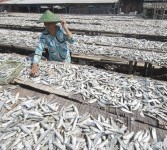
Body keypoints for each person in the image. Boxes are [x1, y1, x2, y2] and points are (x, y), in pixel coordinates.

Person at [31, 10, 75, 76]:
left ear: (54, 23)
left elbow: (72, 41)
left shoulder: (62, 31)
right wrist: (35, 63)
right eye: (45, 23)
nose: (47, 26)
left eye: (49, 23)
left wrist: (66, 28)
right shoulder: (44, 35)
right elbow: (39, 48)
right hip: (52, 61)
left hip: (65, 61)